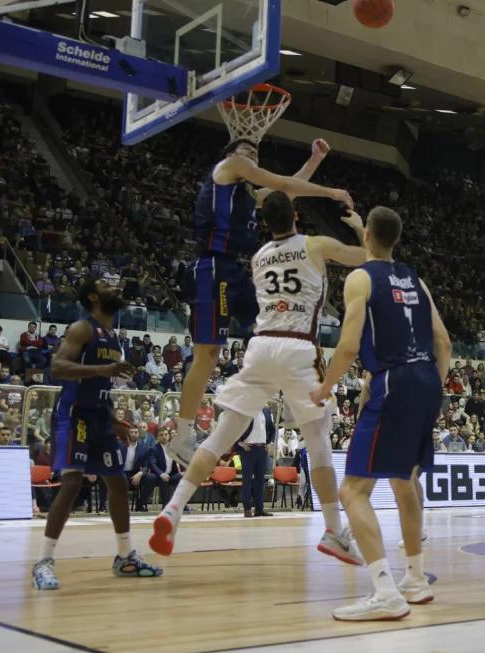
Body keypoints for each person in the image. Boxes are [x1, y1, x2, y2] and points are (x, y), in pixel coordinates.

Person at [151, 193, 366, 567]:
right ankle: (334, 531)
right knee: (318, 444)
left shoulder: (259, 256)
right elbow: (367, 258)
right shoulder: (317, 244)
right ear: (297, 216)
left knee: (221, 435)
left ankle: (173, 508)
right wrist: (361, 228)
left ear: (266, 224)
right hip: (298, 346)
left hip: (261, 345)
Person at [170, 138, 351, 468]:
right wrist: (331, 193)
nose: (252, 157)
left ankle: (298, 403)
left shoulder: (248, 196)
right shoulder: (227, 169)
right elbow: (280, 182)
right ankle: (181, 435)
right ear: (231, 156)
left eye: (256, 153)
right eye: (248, 152)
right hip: (212, 267)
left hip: (238, 272)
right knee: (207, 354)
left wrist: (314, 160)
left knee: (280, 329)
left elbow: (284, 194)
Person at [310, 206, 449, 621]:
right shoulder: (417, 280)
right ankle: (416, 579)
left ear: (366, 235)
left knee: (352, 491)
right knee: (405, 481)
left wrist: (325, 386)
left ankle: (386, 592)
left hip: (394, 381)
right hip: (427, 380)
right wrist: (432, 388)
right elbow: (443, 342)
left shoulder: (359, 277)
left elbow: (350, 346)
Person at [32, 279, 163, 590]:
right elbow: (58, 368)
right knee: (73, 481)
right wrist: (101, 370)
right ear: (92, 297)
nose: (116, 289)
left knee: (117, 483)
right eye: (107, 286)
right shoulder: (82, 329)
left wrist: (115, 421)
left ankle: (124, 557)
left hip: (99, 417)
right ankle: (44, 561)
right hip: (73, 415)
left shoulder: (113, 340)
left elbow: (101, 388)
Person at [236, 406, 275, 518]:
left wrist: (271, 443)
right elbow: (234, 428)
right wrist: (239, 442)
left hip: (262, 448)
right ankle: (247, 509)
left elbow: (272, 429)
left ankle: (259, 508)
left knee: (260, 480)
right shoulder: (245, 410)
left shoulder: (266, 411)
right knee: (247, 479)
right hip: (248, 448)